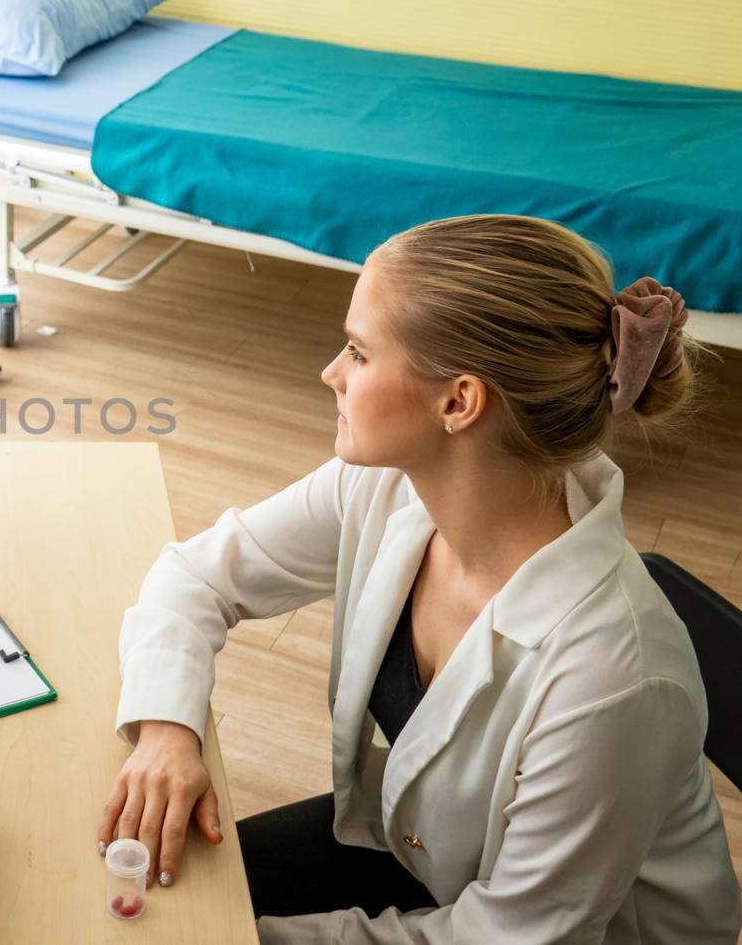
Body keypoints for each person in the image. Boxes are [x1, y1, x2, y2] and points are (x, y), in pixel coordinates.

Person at [98, 215, 742, 942]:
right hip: (428, 851)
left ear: (459, 402)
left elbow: (505, 937)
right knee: (138, 891)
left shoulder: (613, 680)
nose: (331, 372)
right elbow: (197, 574)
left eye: (359, 352)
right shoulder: (386, 488)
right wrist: (165, 730)